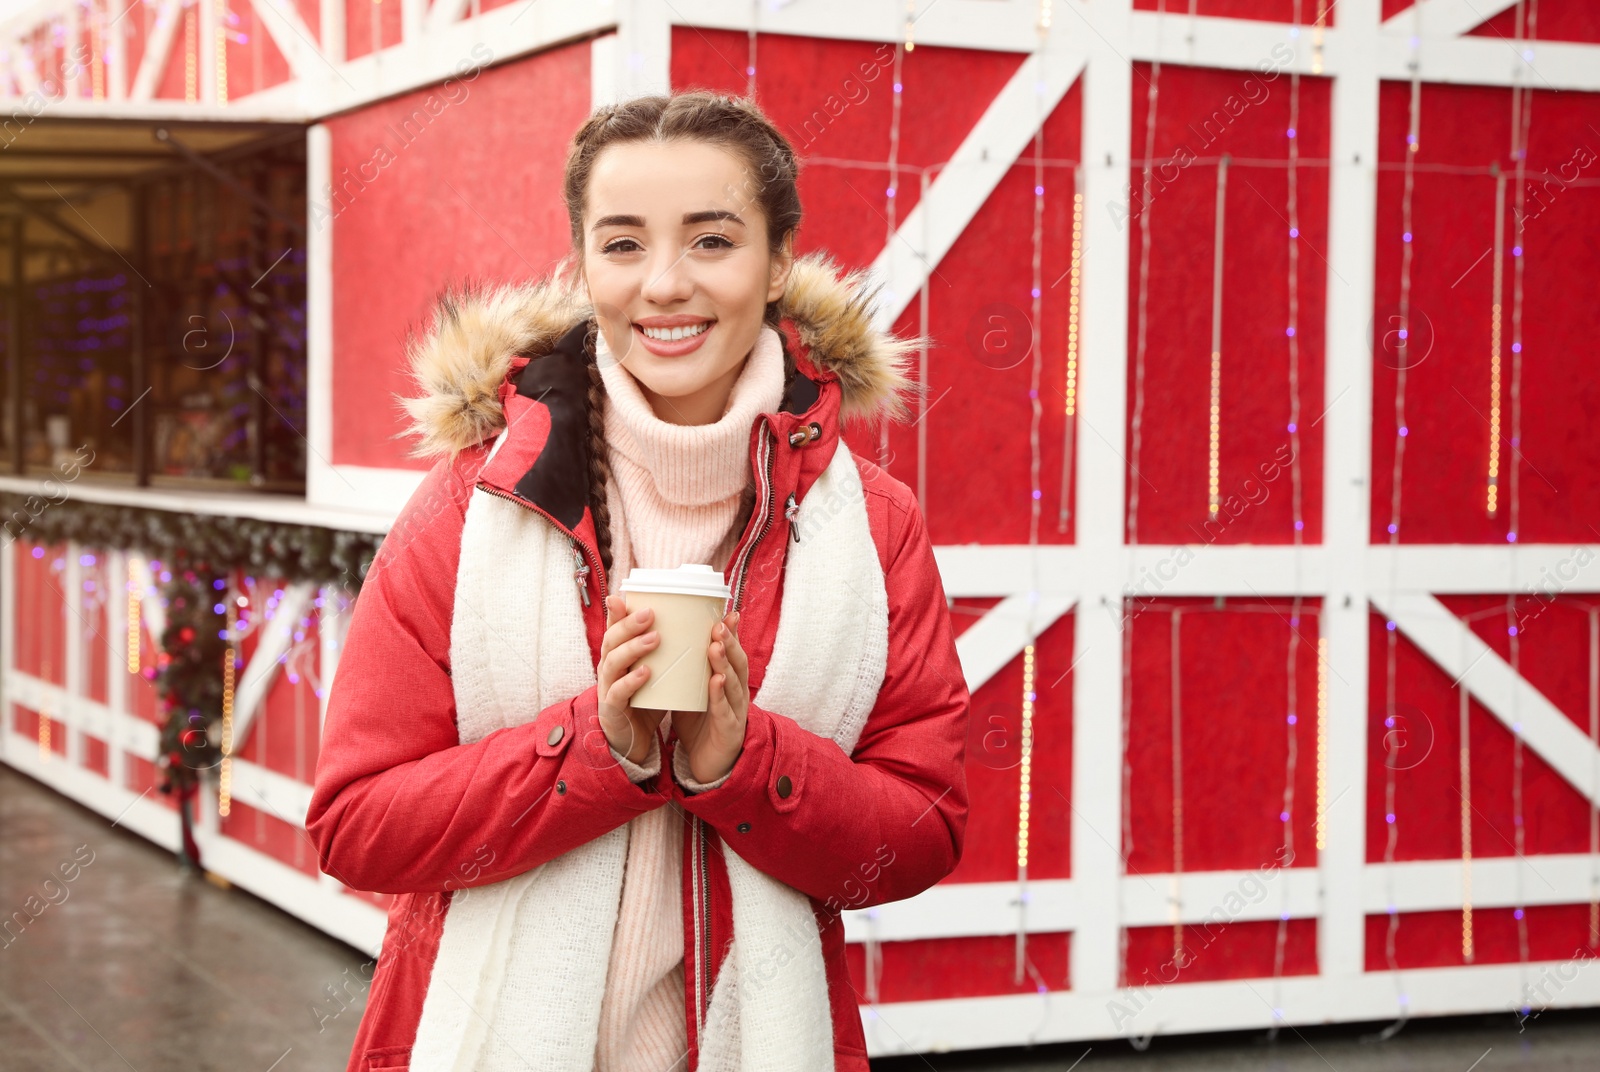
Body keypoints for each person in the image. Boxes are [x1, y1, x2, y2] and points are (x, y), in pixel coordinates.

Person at [306, 89, 970, 1072]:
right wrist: (590, 752)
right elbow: (355, 824)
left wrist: (742, 764)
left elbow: (919, 832)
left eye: (711, 241)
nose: (664, 284)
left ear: (778, 261)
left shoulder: (872, 525)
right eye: (622, 245)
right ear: (581, 265)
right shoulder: (474, 501)